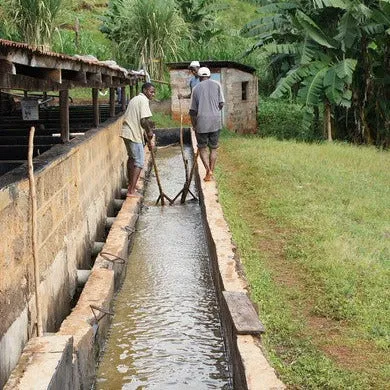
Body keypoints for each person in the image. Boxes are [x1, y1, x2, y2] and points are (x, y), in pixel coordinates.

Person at [189, 67, 225, 182]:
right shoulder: (217, 85)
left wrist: (194, 125)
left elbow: (193, 112)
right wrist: (214, 111)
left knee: (203, 148)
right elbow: (221, 103)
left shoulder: (196, 89)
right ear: (209, 76)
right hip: (215, 121)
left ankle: (208, 170)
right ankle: (212, 171)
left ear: (199, 77)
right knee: (213, 148)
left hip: (202, 122)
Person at [121, 82, 155, 197]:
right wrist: (150, 132)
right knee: (139, 162)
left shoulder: (135, 99)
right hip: (133, 134)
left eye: (153, 92)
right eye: (151, 91)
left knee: (132, 158)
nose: (153, 94)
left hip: (128, 132)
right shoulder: (143, 100)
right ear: (145, 91)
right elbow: (143, 121)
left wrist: (147, 136)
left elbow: (141, 122)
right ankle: (131, 191)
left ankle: (131, 185)